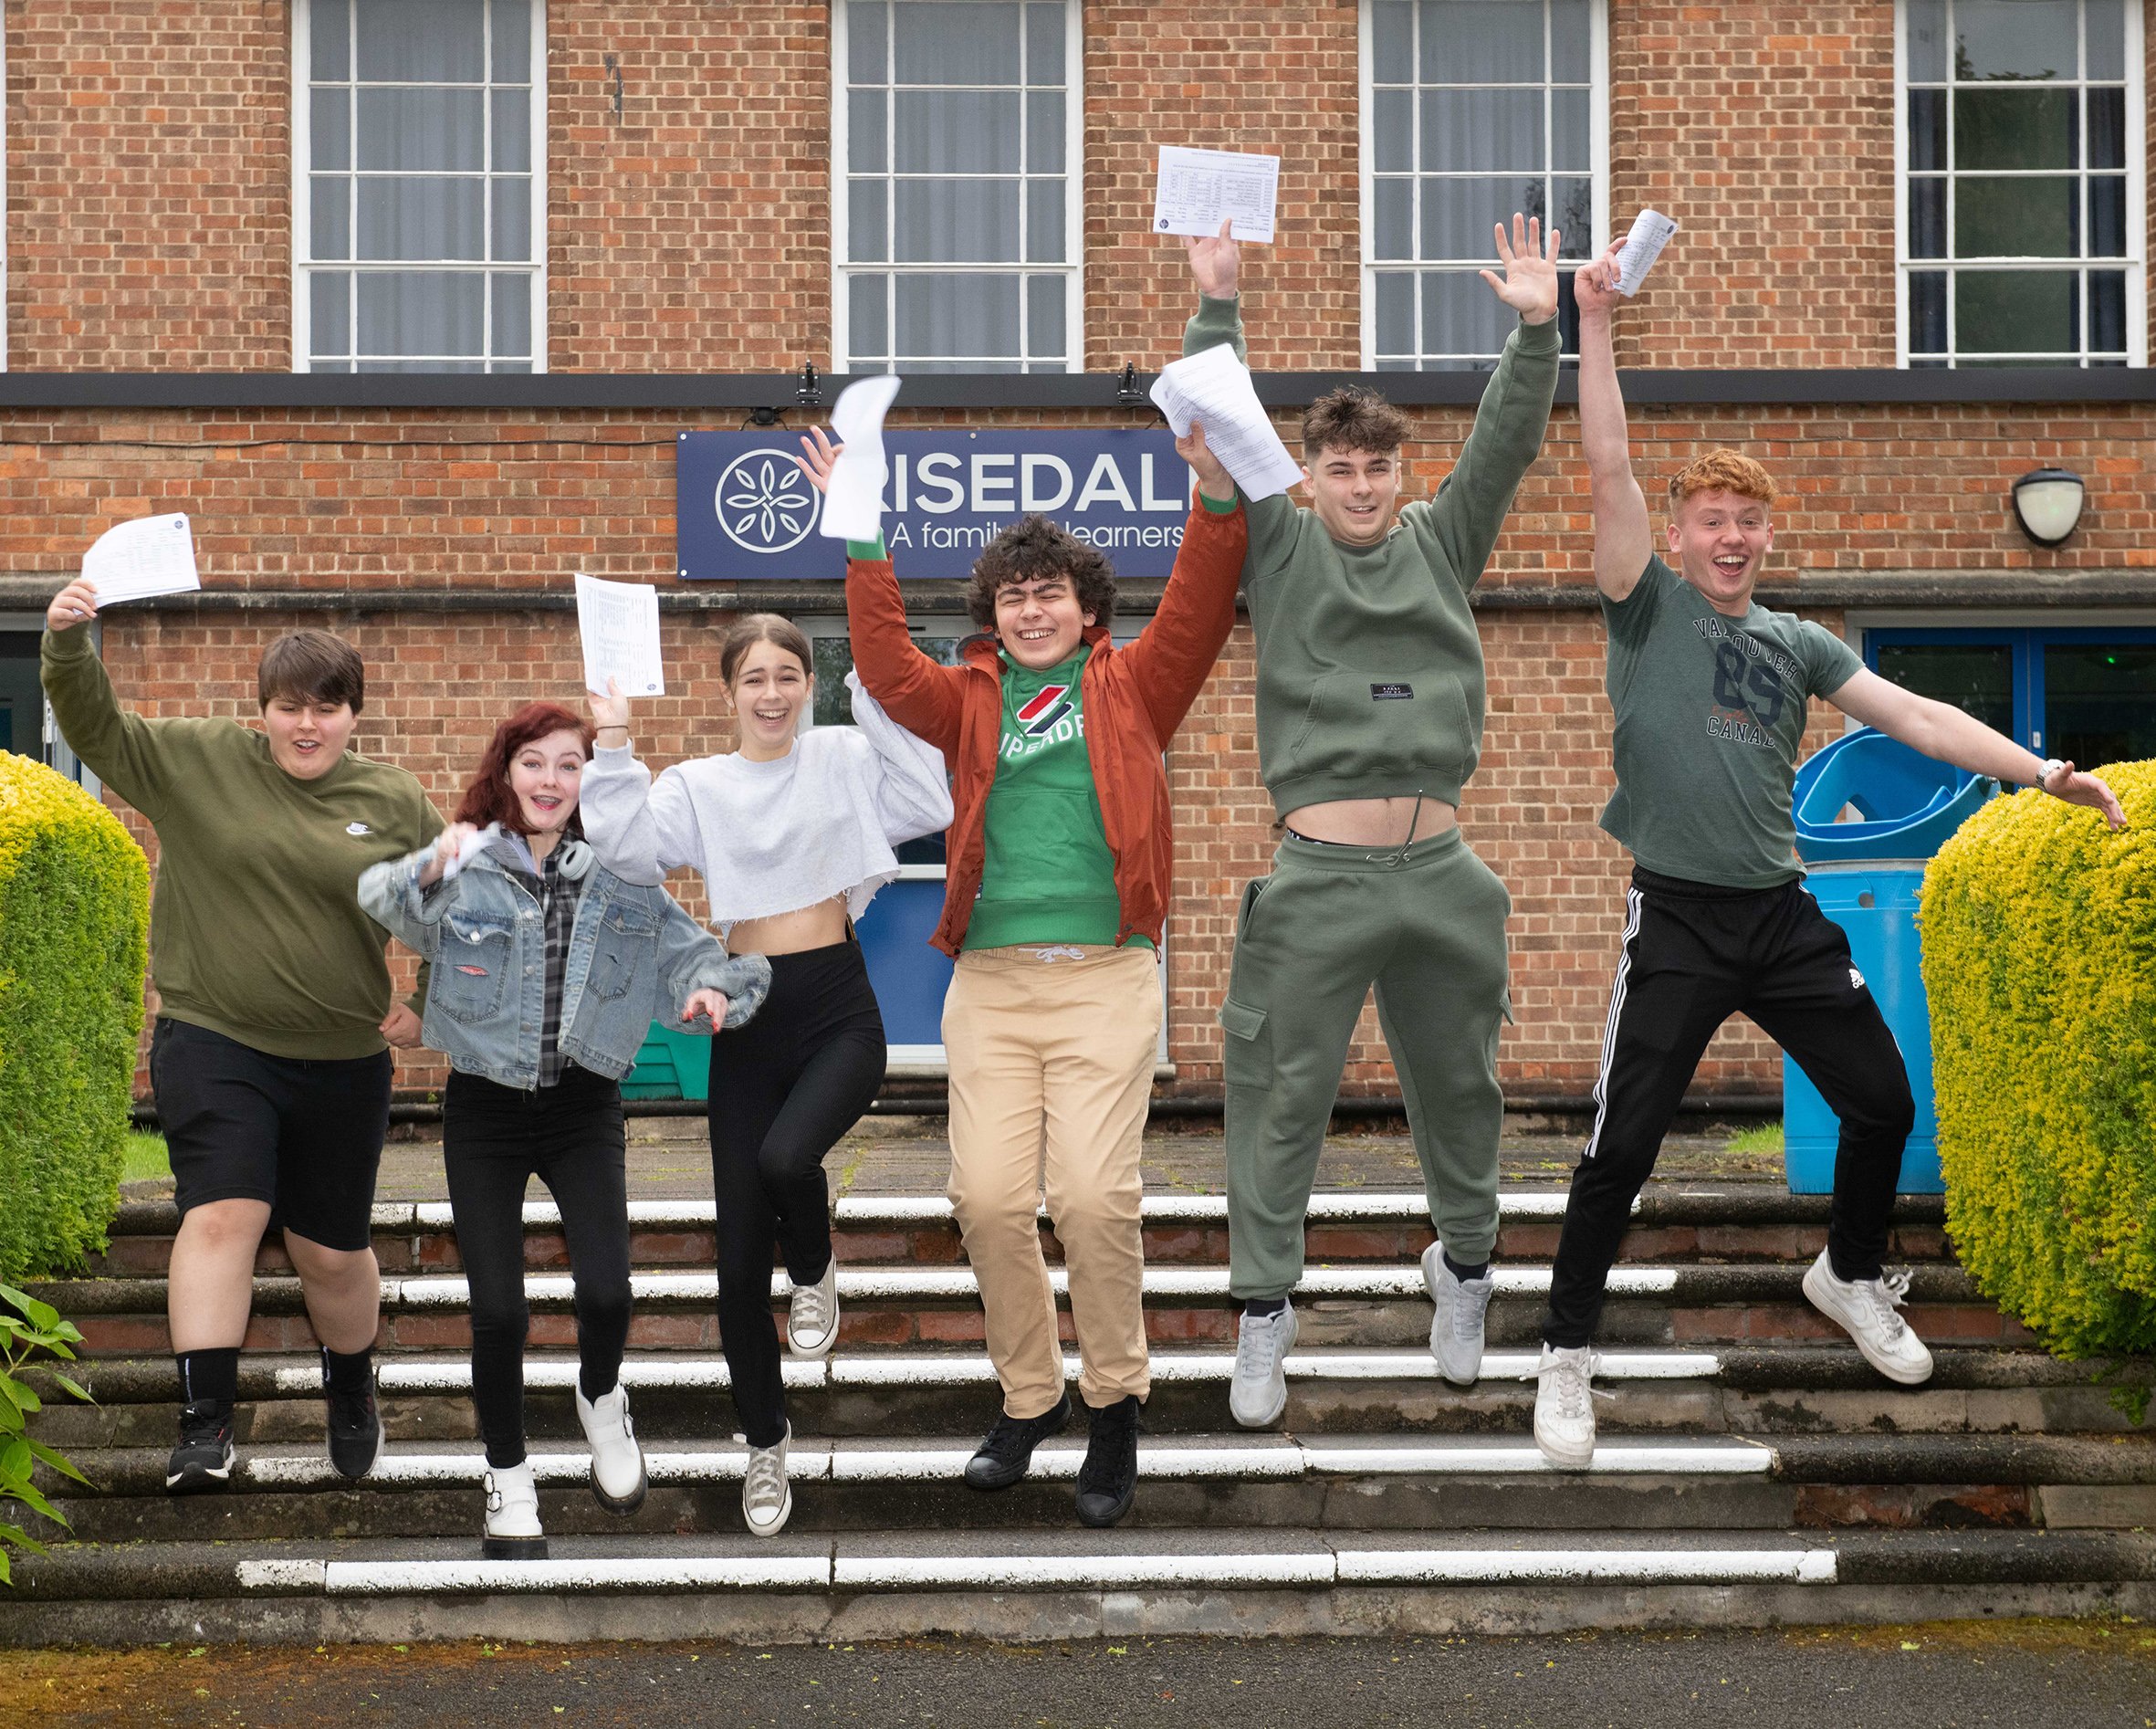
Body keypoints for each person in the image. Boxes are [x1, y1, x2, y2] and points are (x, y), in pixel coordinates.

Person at [1532, 246, 2129, 1470]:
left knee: (1881, 1098)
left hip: (1780, 913)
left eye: (1748, 521)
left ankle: (1847, 1274)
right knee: (1622, 1143)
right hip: (1679, 921)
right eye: (1713, 521)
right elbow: (1604, 463)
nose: (1731, 537)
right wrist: (1588, 326)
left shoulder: (1798, 641)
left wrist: (2041, 772)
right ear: (1684, 535)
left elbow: (1913, 718)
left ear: (1763, 534)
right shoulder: (1640, 603)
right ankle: (1564, 1352)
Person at [808, 415, 1246, 1528]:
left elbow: (1197, 602)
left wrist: (1215, 492)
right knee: (989, 1198)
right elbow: (882, 665)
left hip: (1105, 978)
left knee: (1096, 1198)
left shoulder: (1137, 686)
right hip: (994, 987)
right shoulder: (967, 702)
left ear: (1087, 609)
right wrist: (860, 537)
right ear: (993, 615)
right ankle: (1029, 1393)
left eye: (1051, 592)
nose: (1033, 609)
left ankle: (1115, 1402)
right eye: (1013, 596)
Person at [1177, 216, 1564, 1425]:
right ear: (1311, 475)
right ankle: (1262, 1310)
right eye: (1339, 468)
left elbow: (1502, 445)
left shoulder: (1442, 544)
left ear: (1400, 475)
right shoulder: (1279, 546)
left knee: (1460, 1087)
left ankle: (1462, 1268)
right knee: (1279, 1089)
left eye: (1377, 469)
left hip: (1440, 871)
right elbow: (1220, 421)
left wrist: (1537, 326)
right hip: (1319, 874)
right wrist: (1218, 298)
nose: (1358, 485)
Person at [40, 582, 438, 1495]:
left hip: (343, 1058)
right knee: (222, 1212)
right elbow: (99, 730)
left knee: (328, 1252)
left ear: (352, 715)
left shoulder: (392, 800)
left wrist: (437, 1003)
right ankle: (204, 1428)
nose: (307, 725)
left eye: (326, 707)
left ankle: (350, 1384)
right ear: (262, 710)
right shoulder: (201, 761)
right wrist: (66, 642)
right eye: (289, 706)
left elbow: (450, 917)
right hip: (215, 1036)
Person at [357, 702, 769, 1558]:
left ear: (591, 779)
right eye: (534, 763)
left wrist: (715, 992)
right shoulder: (467, 864)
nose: (551, 781)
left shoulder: (623, 877)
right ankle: (507, 1479)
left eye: (570, 764)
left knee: (609, 1295)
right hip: (484, 1112)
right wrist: (441, 857)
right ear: (507, 772)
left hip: (585, 1108)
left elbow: (697, 956)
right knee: (499, 1311)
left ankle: (601, 1398)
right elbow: (379, 897)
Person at [581, 616, 950, 1538]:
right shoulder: (696, 785)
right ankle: (765, 1443)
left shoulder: (839, 754)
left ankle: (816, 1266)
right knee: (739, 1265)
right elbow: (626, 852)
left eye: (790, 674)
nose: (774, 693)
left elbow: (928, 793)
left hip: (837, 1006)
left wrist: (872, 685)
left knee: (790, 1158)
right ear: (728, 692)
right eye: (754, 678)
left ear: (809, 684)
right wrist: (615, 739)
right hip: (746, 1011)